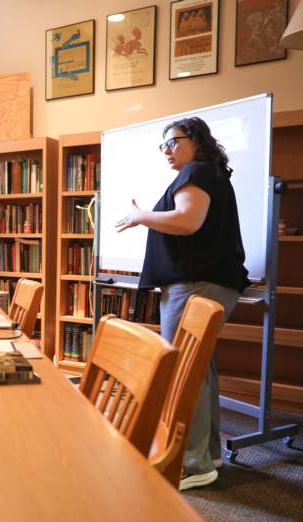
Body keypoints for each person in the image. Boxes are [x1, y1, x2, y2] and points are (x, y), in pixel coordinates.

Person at [115, 117, 250, 490]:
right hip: (202, 282)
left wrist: (142, 216)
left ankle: (192, 463)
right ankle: (208, 455)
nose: (167, 152)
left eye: (172, 142)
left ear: (196, 139)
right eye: (164, 146)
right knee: (199, 370)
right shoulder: (208, 172)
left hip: (196, 284)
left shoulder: (199, 171)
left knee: (185, 372)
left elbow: (188, 221)